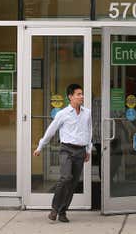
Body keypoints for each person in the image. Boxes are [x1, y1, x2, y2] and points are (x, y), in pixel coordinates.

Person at [34, 83, 92, 223]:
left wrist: (88, 150)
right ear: (70, 97)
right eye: (78, 94)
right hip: (66, 149)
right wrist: (40, 146)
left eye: (82, 94)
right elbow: (51, 130)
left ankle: (63, 212)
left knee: (72, 184)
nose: (81, 96)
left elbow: (89, 131)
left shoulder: (87, 113)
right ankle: (54, 209)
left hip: (80, 151)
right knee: (66, 177)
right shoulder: (63, 114)